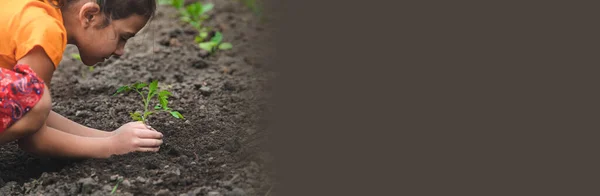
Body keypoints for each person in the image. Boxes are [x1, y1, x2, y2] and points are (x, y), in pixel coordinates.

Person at [0, 0, 164, 159]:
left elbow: (30, 114)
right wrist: (112, 146)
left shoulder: (31, 9)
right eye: (123, 37)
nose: (121, 51)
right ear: (89, 16)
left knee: (35, 102)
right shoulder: (44, 29)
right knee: (37, 102)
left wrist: (110, 136)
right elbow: (34, 138)